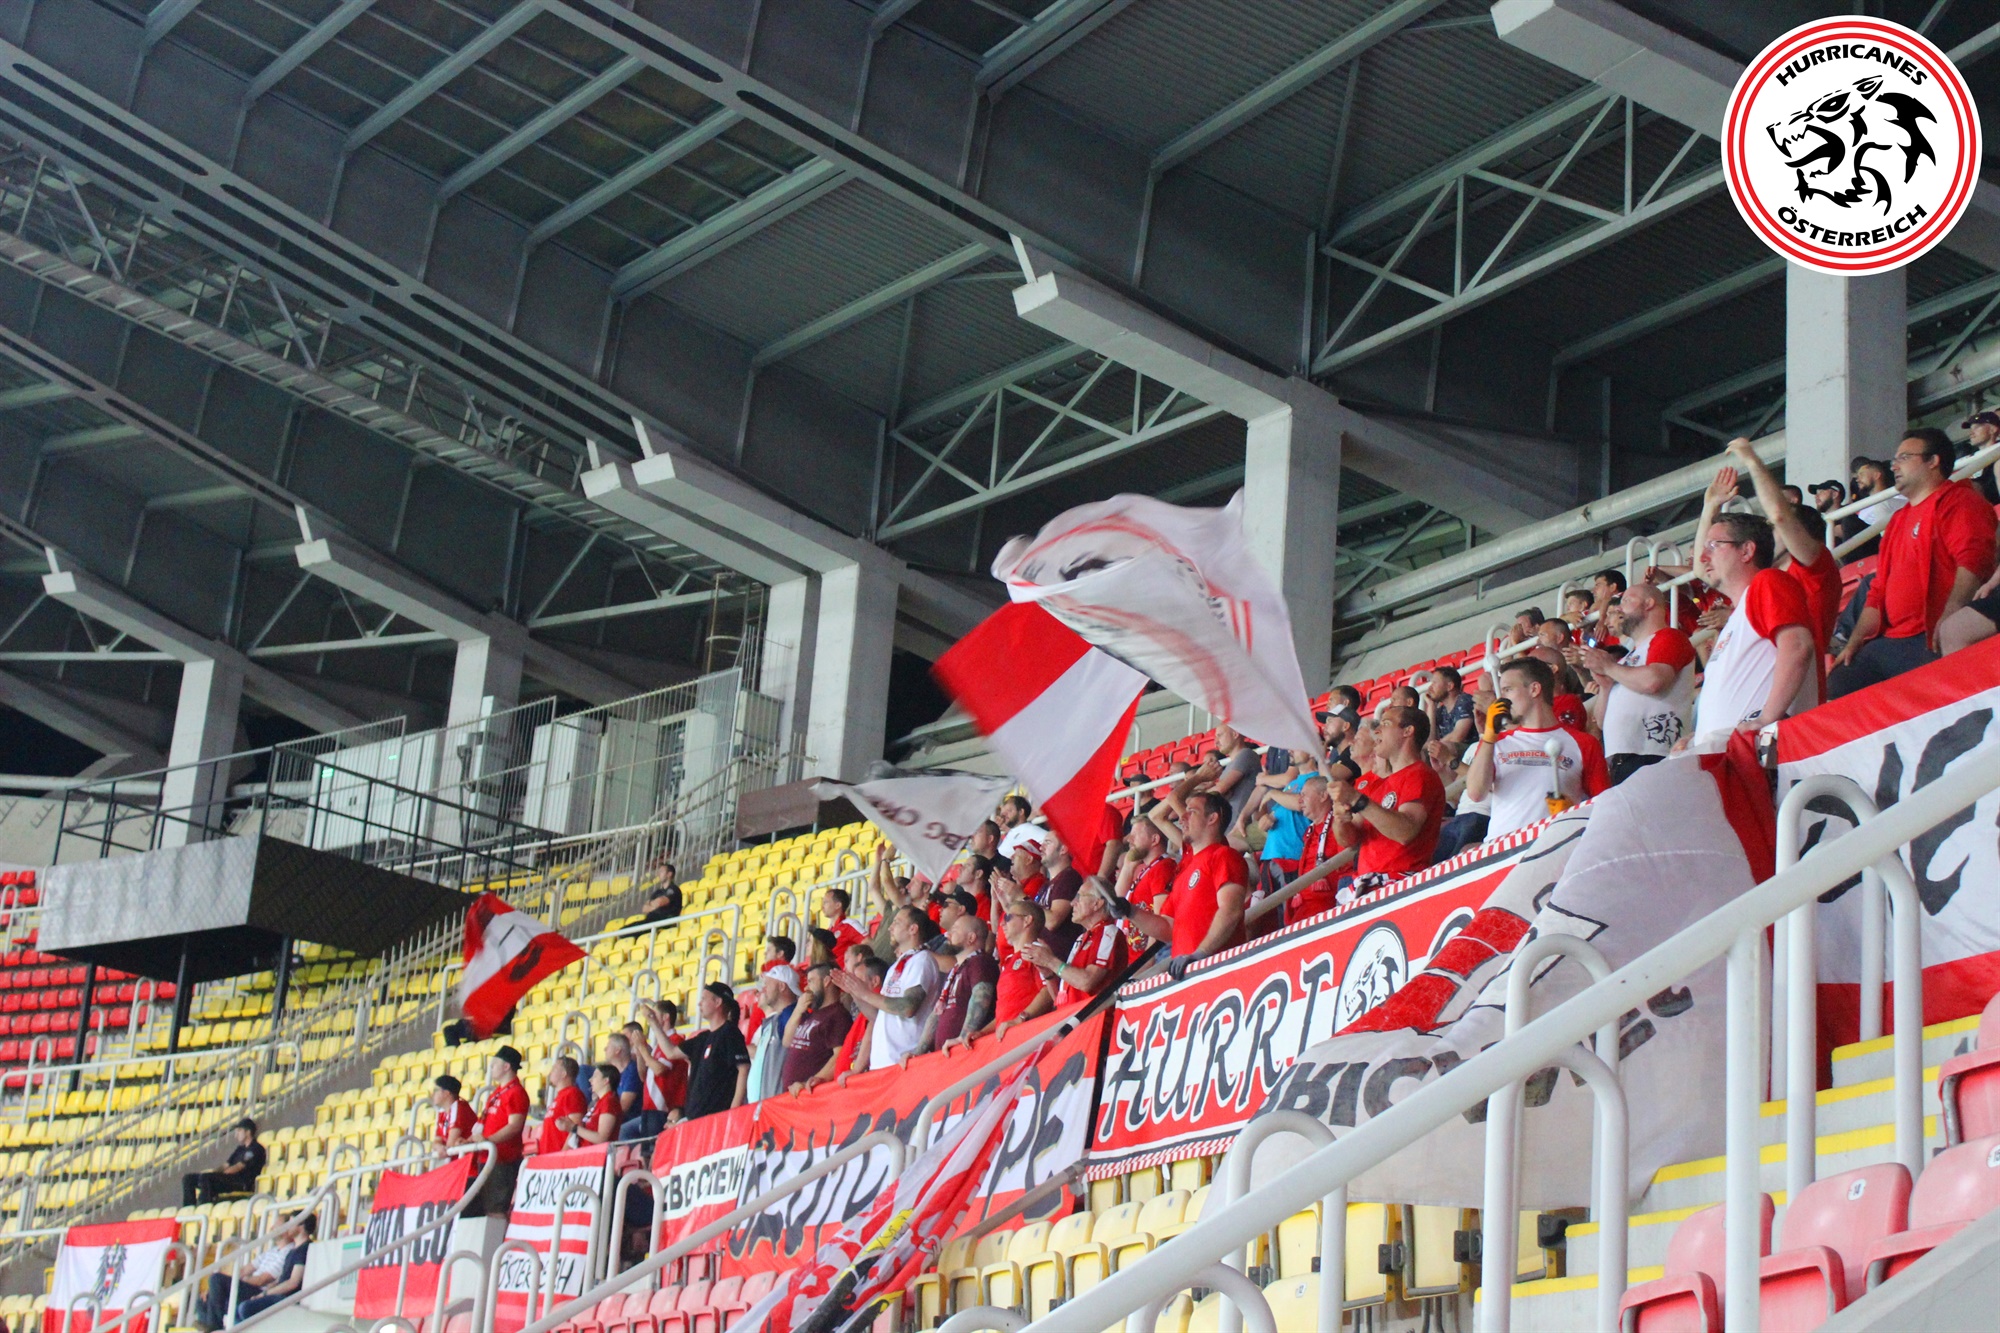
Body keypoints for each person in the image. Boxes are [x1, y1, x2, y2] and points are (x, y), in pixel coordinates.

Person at [1832, 428, 1997, 695]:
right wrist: (1855, 641)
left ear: (1933, 461)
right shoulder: (1898, 520)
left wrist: (1951, 612)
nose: (1894, 466)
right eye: (1895, 459)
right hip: (1891, 640)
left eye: (1904, 457)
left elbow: (1973, 561)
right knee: (1839, 682)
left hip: (1930, 635)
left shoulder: (1960, 501)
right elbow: (1877, 592)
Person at [1692, 511, 1819, 740]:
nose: (1703, 557)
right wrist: (1696, 738)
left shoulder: (1767, 581)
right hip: (1731, 750)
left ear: (1746, 551)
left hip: (1764, 749)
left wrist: (1766, 718)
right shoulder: (1736, 617)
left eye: (1713, 545)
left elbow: (1798, 646)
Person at [1720, 439, 1844, 656]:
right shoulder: (1766, 577)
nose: (1767, 534)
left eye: (1773, 528)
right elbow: (1705, 571)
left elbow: (1779, 515)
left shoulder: (1816, 570)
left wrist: (1752, 461)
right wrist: (1710, 506)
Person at [1464, 658, 1609, 840]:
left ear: (1534, 689)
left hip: (1556, 844)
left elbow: (1604, 805)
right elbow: (1476, 793)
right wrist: (1488, 736)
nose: (1502, 699)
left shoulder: (1584, 743)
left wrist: (1574, 810)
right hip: (1503, 847)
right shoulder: (1495, 741)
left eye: (1508, 690)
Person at [1573, 579, 1696, 783]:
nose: (1619, 608)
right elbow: (1601, 722)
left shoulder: (1668, 637)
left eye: (1627, 601)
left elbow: (1653, 681)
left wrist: (1609, 667)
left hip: (1653, 756)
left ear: (1649, 603)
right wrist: (1605, 686)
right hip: (1624, 760)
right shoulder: (1627, 659)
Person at [1117, 791, 1248, 974]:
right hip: (1186, 973)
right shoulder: (1184, 871)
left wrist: (1201, 953)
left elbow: (1230, 910)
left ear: (1212, 818)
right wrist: (1130, 911)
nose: (1182, 817)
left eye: (1191, 811)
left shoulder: (1224, 856)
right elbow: (1168, 928)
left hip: (1218, 969)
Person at [1328, 705, 1445, 881]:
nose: (1377, 730)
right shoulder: (1378, 783)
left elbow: (1405, 832)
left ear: (1407, 731)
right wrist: (1341, 820)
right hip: (1369, 883)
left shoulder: (1420, 774)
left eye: (1386, 723)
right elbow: (1349, 840)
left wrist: (1357, 799)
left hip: (1401, 883)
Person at [835, 906, 939, 1070]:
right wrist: (855, 992)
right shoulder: (897, 966)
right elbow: (877, 1017)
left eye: (897, 922)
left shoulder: (922, 960)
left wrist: (865, 994)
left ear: (913, 929)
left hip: (905, 1061)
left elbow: (908, 1007)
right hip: (884, 1063)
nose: (890, 927)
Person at [193, 1214, 314, 1331]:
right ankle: (209, 1328)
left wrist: (263, 1292)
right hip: (255, 1287)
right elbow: (244, 1270)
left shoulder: (291, 1251)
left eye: (276, 1225)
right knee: (204, 1299)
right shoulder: (273, 1251)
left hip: (259, 1289)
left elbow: (264, 1280)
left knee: (217, 1279)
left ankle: (215, 1328)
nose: (272, 1228)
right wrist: (216, 1287)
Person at [1023, 880, 1127, 1007]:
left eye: (1079, 896)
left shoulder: (1108, 932)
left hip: (1094, 1017)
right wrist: (1048, 974)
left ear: (1097, 903)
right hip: (1072, 1015)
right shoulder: (1081, 939)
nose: (1072, 903)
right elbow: (1060, 999)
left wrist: (1050, 961)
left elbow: (1087, 982)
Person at [664, 982, 750, 1118]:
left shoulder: (730, 1033)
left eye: (704, 998)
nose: (699, 1003)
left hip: (716, 1117)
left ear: (717, 1002)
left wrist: (734, 1109)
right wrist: (654, 1023)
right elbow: (671, 1052)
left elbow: (743, 1068)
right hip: (696, 1117)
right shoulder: (703, 1038)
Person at [466, 1047, 529, 1216]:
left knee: (495, 1209)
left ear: (506, 1066)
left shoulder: (515, 1092)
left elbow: (514, 1126)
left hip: (502, 1159)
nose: (491, 1067)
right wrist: (469, 1141)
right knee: (485, 1210)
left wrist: (489, 1141)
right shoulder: (498, 1092)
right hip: (488, 1157)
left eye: (494, 1064)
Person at [920, 915, 997, 1052]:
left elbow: (981, 998)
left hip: (967, 1049)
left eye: (955, 930)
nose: (948, 934)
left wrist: (963, 1036)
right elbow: (937, 1012)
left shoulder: (980, 961)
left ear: (971, 938)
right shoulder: (956, 969)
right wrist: (919, 1050)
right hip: (948, 1052)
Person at [780, 962, 853, 1092]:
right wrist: (797, 1010)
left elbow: (840, 1055)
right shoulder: (810, 1013)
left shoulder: (838, 1015)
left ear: (826, 981)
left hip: (811, 1093)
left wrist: (815, 1080)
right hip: (794, 1094)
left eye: (811, 981)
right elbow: (787, 1041)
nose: (806, 988)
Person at [744, 965, 800, 1103]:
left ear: (781, 986)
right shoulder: (775, 1020)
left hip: (777, 1104)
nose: (764, 989)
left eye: (767, 984)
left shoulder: (791, 1015)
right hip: (765, 1105)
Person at [183, 1119, 265, 1207]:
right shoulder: (240, 1149)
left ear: (248, 1132)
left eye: (239, 1131)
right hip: (230, 1180)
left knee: (207, 1178)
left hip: (242, 1182)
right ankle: (189, 1208)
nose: (236, 1134)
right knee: (189, 1178)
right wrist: (215, 1172)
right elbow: (226, 1165)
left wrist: (219, 1176)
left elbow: (239, 1167)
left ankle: (205, 1206)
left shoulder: (255, 1148)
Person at [830, 954, 886, 1079]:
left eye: (857, 980)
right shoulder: (864, 1005)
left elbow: (874, 1021)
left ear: (875, 981)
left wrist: (857, 1069)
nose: (853, 983)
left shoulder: (878, 1003)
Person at [536, 1056, 586, 1155]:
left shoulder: (572, 1094)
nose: (550, 1072)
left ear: (564, 1074)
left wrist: (563, 1155)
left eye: (554, 1069)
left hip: (559, 1158)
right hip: (549, 1157)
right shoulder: (561, 1096)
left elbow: (576, 1127)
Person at [1422, 666, 1476, 747]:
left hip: (1473, 750)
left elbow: (1458, 736)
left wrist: (1432, 746)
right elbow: (1429, 740)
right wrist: (1431, 706)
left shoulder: (1465, 701)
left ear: (1449, 686)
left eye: (1435, 682)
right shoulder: (1441, 711)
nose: (1430, 687)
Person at [576, 1064, 623, 1145]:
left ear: (606, 1080)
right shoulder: (600, 1102)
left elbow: (602, 1138)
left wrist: (575, 1129)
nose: (590, 1080)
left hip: (598, 1152)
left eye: (595, 1076)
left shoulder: (609, 1101)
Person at [430, 1076, 475, 1153]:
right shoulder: (442, 1113)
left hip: (468, 1157)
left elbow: (450, 1145)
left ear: (446, 1093)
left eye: (435, 1090)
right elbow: (436, 1141)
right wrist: (439, 1147)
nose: (432, 1094)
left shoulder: (460, 1107)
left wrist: (441, 1149)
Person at [820, 887, 869, 958]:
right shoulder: (829, 930)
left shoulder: (849, 925)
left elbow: (868, 942)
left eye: (825, 902)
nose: (822, 907)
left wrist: (856, 963)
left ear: (838, 905)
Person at [638, 856, 681, 924]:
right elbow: (644, 908)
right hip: (651, 921)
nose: (658, 874)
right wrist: (655, 907)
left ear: (669, 874)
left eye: (661, 872)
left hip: (665, 921)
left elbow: (660, 902)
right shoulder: (657, 892)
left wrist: (651, 905)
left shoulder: (673, 889)